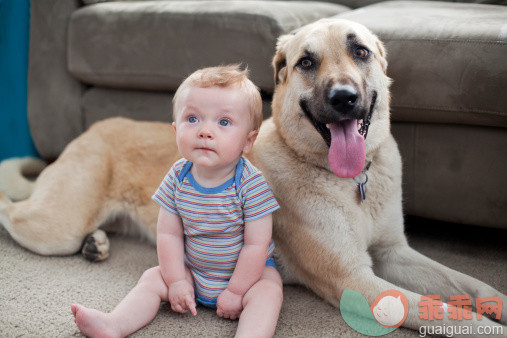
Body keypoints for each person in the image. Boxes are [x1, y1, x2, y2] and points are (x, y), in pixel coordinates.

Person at [71, 65, 283, 338]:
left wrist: (237, 291)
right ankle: (114, 323)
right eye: (193, 119)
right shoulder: (177, 176)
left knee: (269, 291)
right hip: (193, 270)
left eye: (224, 122)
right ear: (175, 129)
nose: (205, 131)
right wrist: (176, 280)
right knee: (151, 278)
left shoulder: (251, 184)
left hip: (247, 275)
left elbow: (256, 245)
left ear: (248, 141)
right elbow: (168, 234)